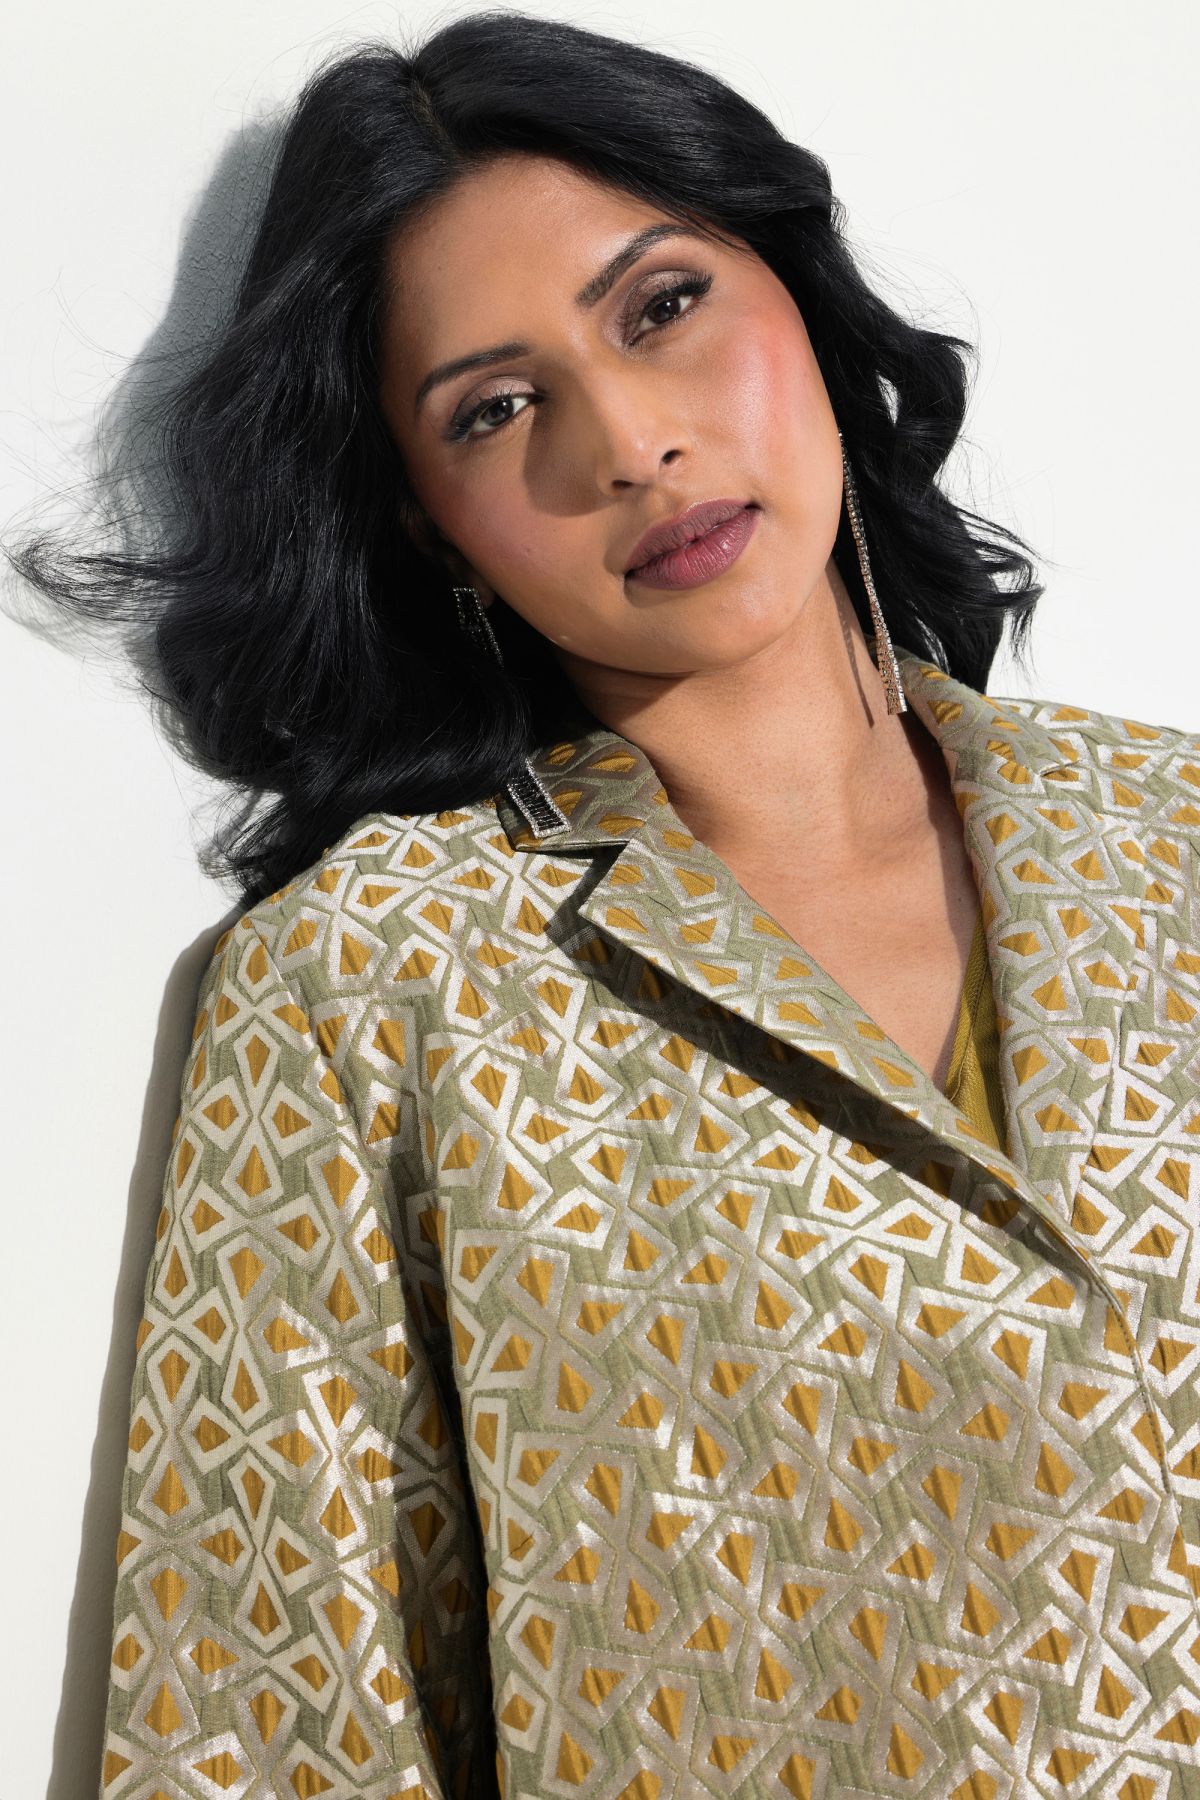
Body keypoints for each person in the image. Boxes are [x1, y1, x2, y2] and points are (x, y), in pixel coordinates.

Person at [13, 13, 1199, 1798]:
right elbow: (262, 1720)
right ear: (432, 522)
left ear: (800, 297)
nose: (630, 443)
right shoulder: (374, 987)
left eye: (662, 307)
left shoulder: (1173, 836)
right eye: (495, 409)